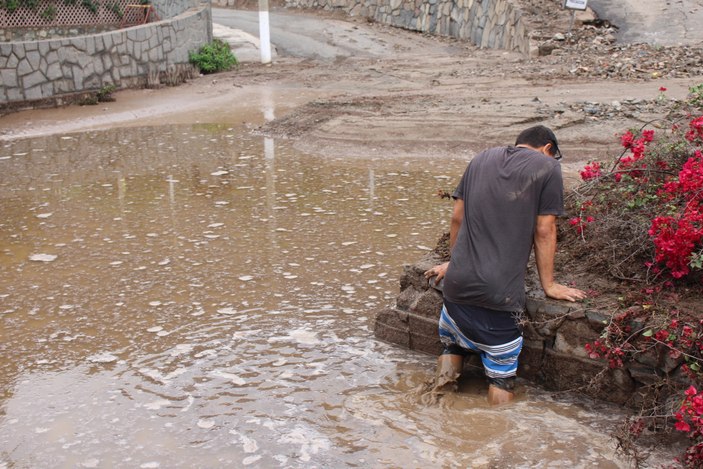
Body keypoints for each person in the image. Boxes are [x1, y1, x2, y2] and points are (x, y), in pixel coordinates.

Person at [423, 125, 587, 405]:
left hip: (455, 291)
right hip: (498, 297)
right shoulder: (547, 168)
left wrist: (454, 262)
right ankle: (499, 442)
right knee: (500, 376)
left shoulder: (480, 158)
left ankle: (435, 409)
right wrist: (549, 285)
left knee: (453, 345)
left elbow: (457, 219)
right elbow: (545, 230)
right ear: (548, 149)